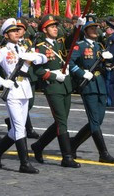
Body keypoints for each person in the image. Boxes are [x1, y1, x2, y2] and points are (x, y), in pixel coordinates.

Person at [0, 18, 46, 174]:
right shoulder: (3, 51)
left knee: (15, 131)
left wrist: (35, 57)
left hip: (25, 90)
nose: (17, 33)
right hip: (12, 92)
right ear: (6, 35)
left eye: (17, 30)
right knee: (20, 128)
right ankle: (24, 163)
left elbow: (43, 58)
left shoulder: (24, 48)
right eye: (13, 31)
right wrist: (1, 82)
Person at [30, 14, 78, 168]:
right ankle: (67, 156)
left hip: (65, 85)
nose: (56, 28)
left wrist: (79, 27)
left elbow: (72, 41)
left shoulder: (59, 43)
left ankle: (38, 146)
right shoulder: (40, 47)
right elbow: (37, 70)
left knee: (60, 121)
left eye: (56, 26)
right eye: (52, 26)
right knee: (62, 122)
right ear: (44, 29)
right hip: (53, 86)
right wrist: (53, 75)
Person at [68, 19, 114, 163]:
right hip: (88, 84)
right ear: (85, 31)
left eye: (96, 28)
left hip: (100, 84)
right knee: (94, 121)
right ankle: (103, 153)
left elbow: (110, 63)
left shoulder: (99, 46)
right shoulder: (80, 46)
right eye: (91, 29)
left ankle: (74, 143)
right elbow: (70, 62)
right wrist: (81, 73)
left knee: (98, 120)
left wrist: (110, 58)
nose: (95, 30)